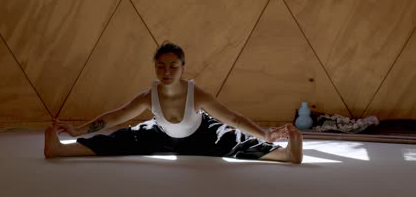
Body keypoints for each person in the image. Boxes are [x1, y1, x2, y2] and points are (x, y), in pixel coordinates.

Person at [44, 41, 303, 163]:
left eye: (173, 66)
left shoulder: (196, 93)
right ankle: (61, 150)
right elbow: (116, 116)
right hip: (161, 134)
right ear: (155, 68)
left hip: (202, 134)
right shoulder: (149, 96)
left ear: (182, 68)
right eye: (161, 66)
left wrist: (266, 133)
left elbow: (232, 118)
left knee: (238, 142)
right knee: (116, 140)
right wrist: (78, 130)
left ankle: (287, 154)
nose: (166, 72)